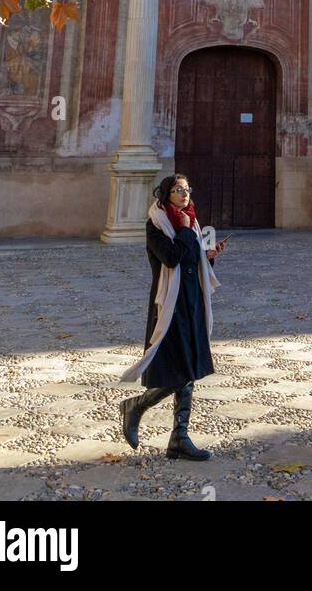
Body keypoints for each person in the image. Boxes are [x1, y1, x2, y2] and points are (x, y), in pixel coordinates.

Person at [118, 175, 228, 460]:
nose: (184, 194)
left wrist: (211, 254)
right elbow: (171, 258)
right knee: (180, 369)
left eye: (187, 189)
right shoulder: (157, 225)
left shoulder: (191, 222)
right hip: (169, 304)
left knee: (189, 368)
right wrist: (185, 231)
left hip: (192, 302)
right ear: (165, 194)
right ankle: (137, 406)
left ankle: (179, 436)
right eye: (178, 190)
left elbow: (195, 258)